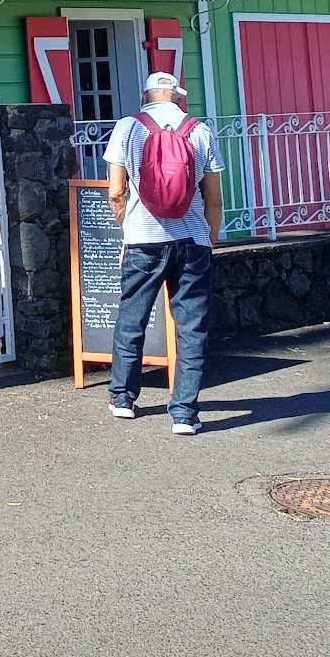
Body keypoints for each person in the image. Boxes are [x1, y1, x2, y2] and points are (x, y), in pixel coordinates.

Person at [103, 71, 222, 434]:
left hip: (143, 239)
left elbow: (115, 192)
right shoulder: (199, 131)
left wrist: (128, 229)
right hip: (192, 243)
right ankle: (184, 412)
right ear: (178, 98)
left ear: (146, 96)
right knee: (191, 328)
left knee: (132, 318)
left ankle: (123, 397)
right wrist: (209, 239)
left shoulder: (128, 128)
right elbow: (214, 199)